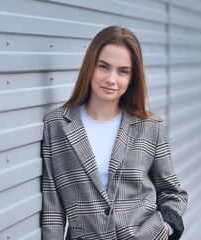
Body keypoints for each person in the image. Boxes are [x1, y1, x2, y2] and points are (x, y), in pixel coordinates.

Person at [41, 26, 188, 240]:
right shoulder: (57, 125)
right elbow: (52, 211)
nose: (111, 79)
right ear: (90, 68)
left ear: (132, 78)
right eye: (104, 67)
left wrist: (161, 229)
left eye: (122, 71)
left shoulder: (150, 127)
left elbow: (173, 194)